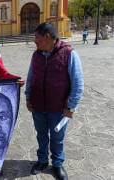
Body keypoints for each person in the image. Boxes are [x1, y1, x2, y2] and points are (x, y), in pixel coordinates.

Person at [25, 23, 84, 180]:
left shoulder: (69, 54)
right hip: (38, 105)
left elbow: (78, 84)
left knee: (57, 138)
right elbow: (31, 77)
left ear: (47, 37)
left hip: (58, 108)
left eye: (37, 39)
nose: (35, 43)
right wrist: (28, 97)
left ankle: (57, 164)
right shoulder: (36, 55)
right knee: (41, 135)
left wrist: (70, 106)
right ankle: (42, 161)